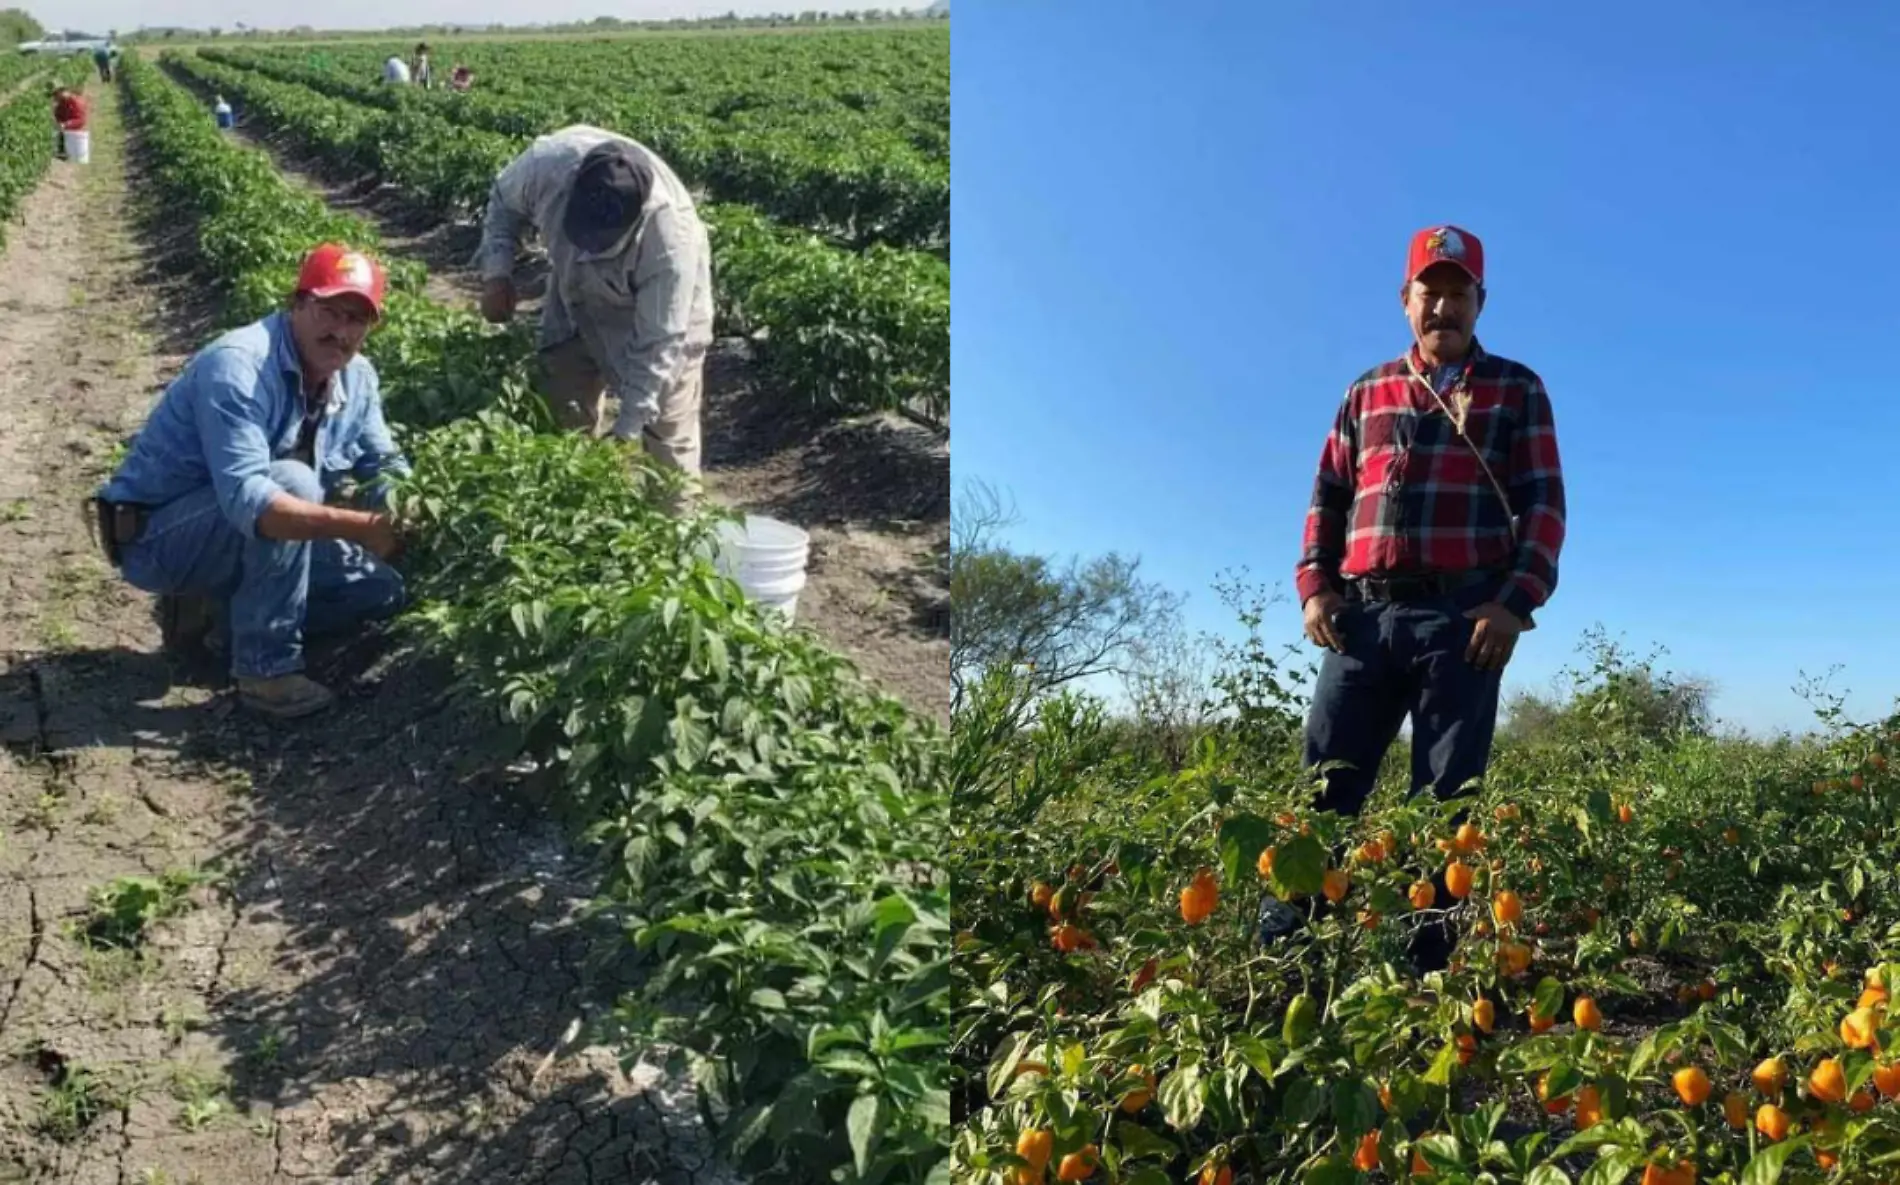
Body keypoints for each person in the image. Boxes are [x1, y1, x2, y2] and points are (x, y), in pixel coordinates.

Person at [1262, 224, 1568, 973]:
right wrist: (1313, 587)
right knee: (1324, 790)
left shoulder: (1516, 388)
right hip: (1360, 620)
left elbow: (1545, 504)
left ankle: (1422, 978)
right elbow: (1328, 497)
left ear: (1480, 303)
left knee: (1444, 807)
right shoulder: (1364, 391)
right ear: (1406, 300)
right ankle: (1281, 964)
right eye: (1430, 291)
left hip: (1464, 621)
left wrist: (1514, 601)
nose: (1444, 307)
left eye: (1459, 293)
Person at [90, 244, 409, 720]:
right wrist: (361, 525)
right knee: (294, 483)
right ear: (298, 303)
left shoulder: (357, 378)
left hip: (242, 532)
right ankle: (266, 671)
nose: (340, 331)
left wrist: (406, 506)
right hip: (160, 538)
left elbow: (383, 461)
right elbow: (253, 502)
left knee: (378, 591)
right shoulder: (239, 365)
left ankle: (225, 618)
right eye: (329, 311)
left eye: (356, 320)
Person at [476, 126, 713, 505]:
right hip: (573, 294)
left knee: (667, 440)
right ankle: (567, 513)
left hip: (658, 318)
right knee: (561, 410)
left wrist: (625, 433)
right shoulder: (547, 166)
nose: (589, 251)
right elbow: (503, 204)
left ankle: (675, 542)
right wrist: (497, 274)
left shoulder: (670, 243)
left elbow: (659, 347)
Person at [51, 85, 86, 159]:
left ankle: (69, 152)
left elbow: (81, 120)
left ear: (64, 92)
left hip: (74, 131)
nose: (56, 98)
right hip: (66, 130)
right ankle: (62, 152)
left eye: (57, 94)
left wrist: (66, 124)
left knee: (75, 155)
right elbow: (59, 114)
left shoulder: (77, 102)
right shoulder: (63, 101)